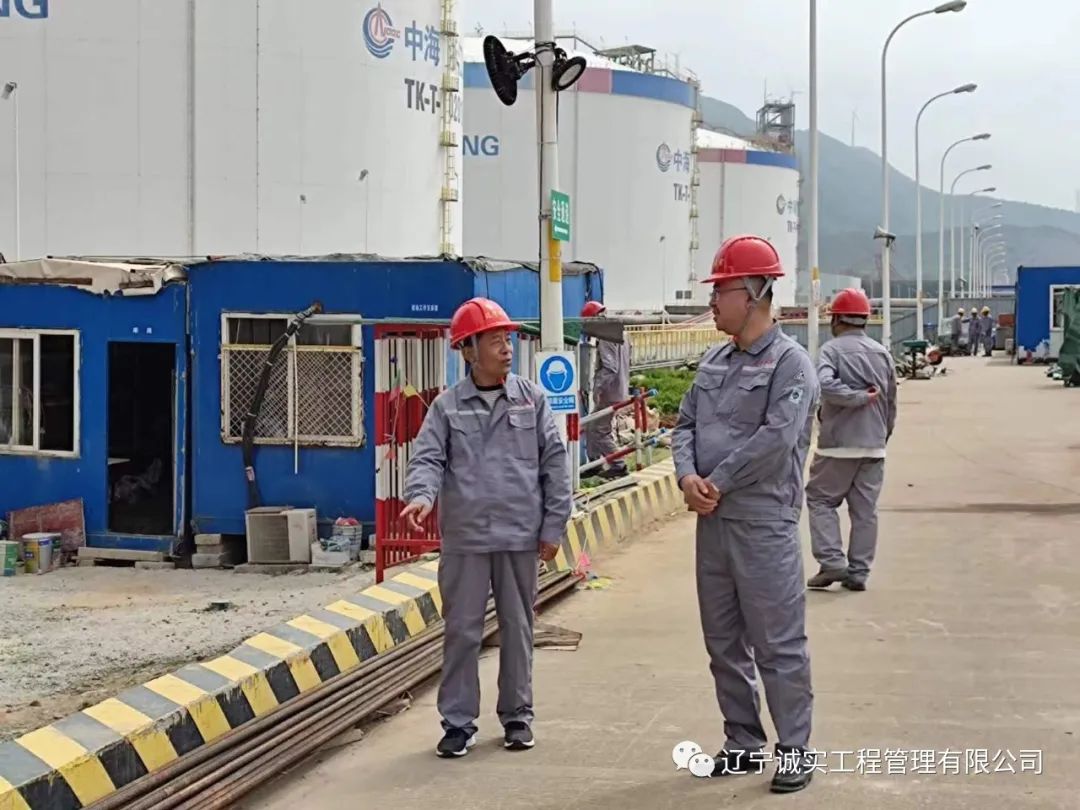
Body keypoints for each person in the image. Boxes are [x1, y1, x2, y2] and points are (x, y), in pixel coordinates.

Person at [671, 235, 820, 794]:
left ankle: (795, 750)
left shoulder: (792, 366)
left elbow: (776, 441)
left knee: (777, 642)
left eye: (721, 291)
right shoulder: (714, 361)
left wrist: (716, 481)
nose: (712, 302)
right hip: (713, 524)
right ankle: (743, 743)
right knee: (724, 642)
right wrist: (686, 476)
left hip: (763, 525)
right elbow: (684, 424)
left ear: (754, 294)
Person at [400, 297, 573, 758]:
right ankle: (458, 723)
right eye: (495, 340)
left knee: (518, 629)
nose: (506, 348)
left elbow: (555, 466)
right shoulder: (447, 407)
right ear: (468, 350)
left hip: (519, 536)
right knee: (462, 632)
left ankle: (517, 717)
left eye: (507, 339)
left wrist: (553, 527)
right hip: (467, 539)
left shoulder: (531, 399)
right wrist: (421, 497)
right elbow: (427, 458)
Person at [805, 287, 897, 592]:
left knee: (820, 499)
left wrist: (856, 398)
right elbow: (891, 402)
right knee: (865, 511)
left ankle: (832, 561)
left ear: (836, 320)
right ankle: (858, 573)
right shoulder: (882, 353)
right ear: (865, 320)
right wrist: (882, 435)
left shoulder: (831, 350)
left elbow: (823, 385)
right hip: (874, 445)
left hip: (838, 445)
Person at [581, 300, 631, 479]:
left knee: (599, 430)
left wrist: (597, 389)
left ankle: (619, 465)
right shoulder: (622, 333)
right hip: (619, 387)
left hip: (610, 391)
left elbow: (610, 367)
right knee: (592, 425)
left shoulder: (606, 336)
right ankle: (595, 463)